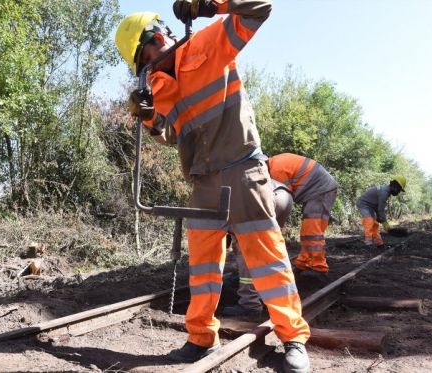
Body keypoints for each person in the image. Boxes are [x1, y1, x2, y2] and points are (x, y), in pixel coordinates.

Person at [115, 2, 311, 372]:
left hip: (242, 170)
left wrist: (210, 3)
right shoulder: (158, 84)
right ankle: (200, 338)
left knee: (267, 260)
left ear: (157, 37)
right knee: (203, 268)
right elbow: (172, 135)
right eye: (143, 66)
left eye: (146, 58)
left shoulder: (207, 44)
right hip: (203, 181)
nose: (149, 67)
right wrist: (146, 118)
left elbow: (259, 8)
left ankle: (293, 340)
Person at [223, 153, 338, 317]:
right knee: (298, 237)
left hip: (320, 190)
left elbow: (275, 196)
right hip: (309, 192)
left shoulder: (276, 170)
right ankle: (304, 265)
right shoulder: (275, 164)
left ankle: (318, 268)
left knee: (312, 232)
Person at [224, 180, 294, 317]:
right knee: (268, 249)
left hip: (259, 198)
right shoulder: (227, 177)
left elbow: (222, 240)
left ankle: (249, 303)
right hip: (284, 195)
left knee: (246, 251)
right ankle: (273, 299)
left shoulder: (210, 194)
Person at [356, 176, 406, 249]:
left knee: (375, 224)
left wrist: (380, 217)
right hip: (363, 204)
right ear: (395, 186)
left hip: (371, 206)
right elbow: (381, 209)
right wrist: (385, 223)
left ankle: (379, 244)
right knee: (369, 221)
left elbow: (377, 205)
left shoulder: (387, 192)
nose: (398, 192)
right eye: (398, 190)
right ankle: (368, 244)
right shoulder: (384, 192)